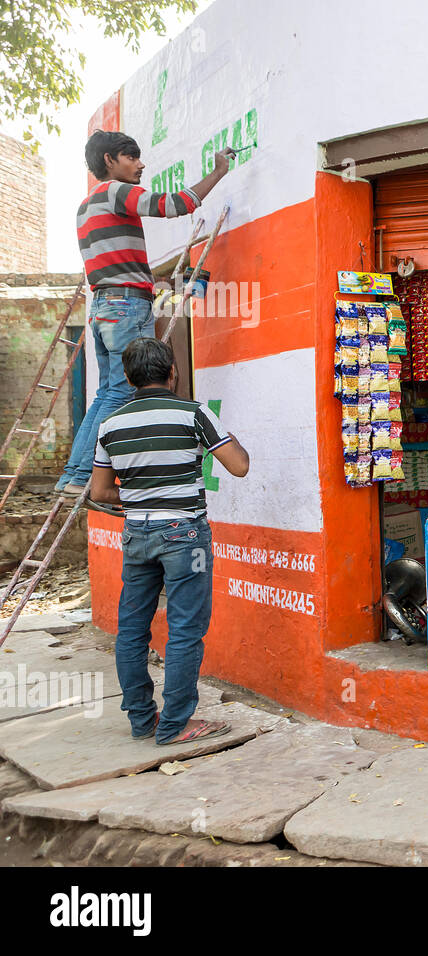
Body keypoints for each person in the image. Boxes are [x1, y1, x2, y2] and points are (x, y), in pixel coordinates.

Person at [57, 129, 235, 497]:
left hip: (105, 306)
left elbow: (115, 265)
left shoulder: (85, 206)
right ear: (110, 160)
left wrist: (155, 281)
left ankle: (75, 475)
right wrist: (219, 171)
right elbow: (176, 205)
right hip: (124, 307)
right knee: (121, 391)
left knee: (108, 392)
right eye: (132, 157)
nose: (140, 165)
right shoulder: (114, 191)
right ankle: (79, 477)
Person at [90, 337, 250, 746]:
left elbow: (100, 492)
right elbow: (240, 466)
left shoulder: (110, 425)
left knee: (131, 630)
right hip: (186, 537)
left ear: (127, 378)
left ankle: (143, 720)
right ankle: (176, 724)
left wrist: (144, 497)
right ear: (173, 371)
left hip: (137, 536)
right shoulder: (193, 413)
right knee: (184, 629)